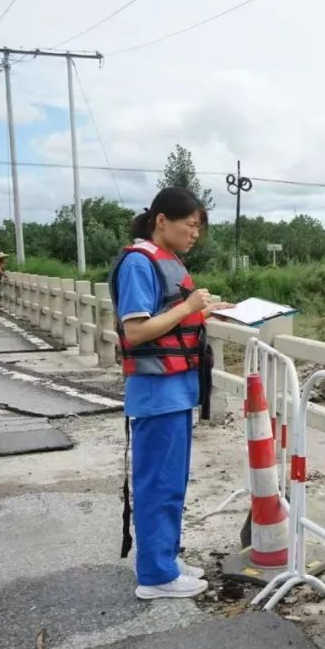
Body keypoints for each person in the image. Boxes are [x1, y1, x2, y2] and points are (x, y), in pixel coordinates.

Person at [108, 187, 231, 600]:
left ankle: (166, 559)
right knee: (157, 484)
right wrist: (188, 306)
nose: (195, 234)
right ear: (162, 220)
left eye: (199, 227)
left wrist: (204, 309)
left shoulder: (169, 262)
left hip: (177, 389)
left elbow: (175, 317)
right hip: (157, 391)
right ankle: (156, 576)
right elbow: (137, 329)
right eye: (190, 224)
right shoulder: (139, 263)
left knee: (172, 483)